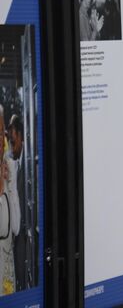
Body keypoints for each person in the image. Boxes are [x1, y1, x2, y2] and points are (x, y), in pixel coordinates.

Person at [7, 115, 28, 291]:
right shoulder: (14, 164)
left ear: (21, 136)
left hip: (25, 239)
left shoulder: (28, 165)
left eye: (13, 141)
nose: (11, 147)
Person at [0, 106, 20, 296]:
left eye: (2, 132)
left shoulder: (8, 174)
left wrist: (11, 183)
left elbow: (16, 227)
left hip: (6, 276)